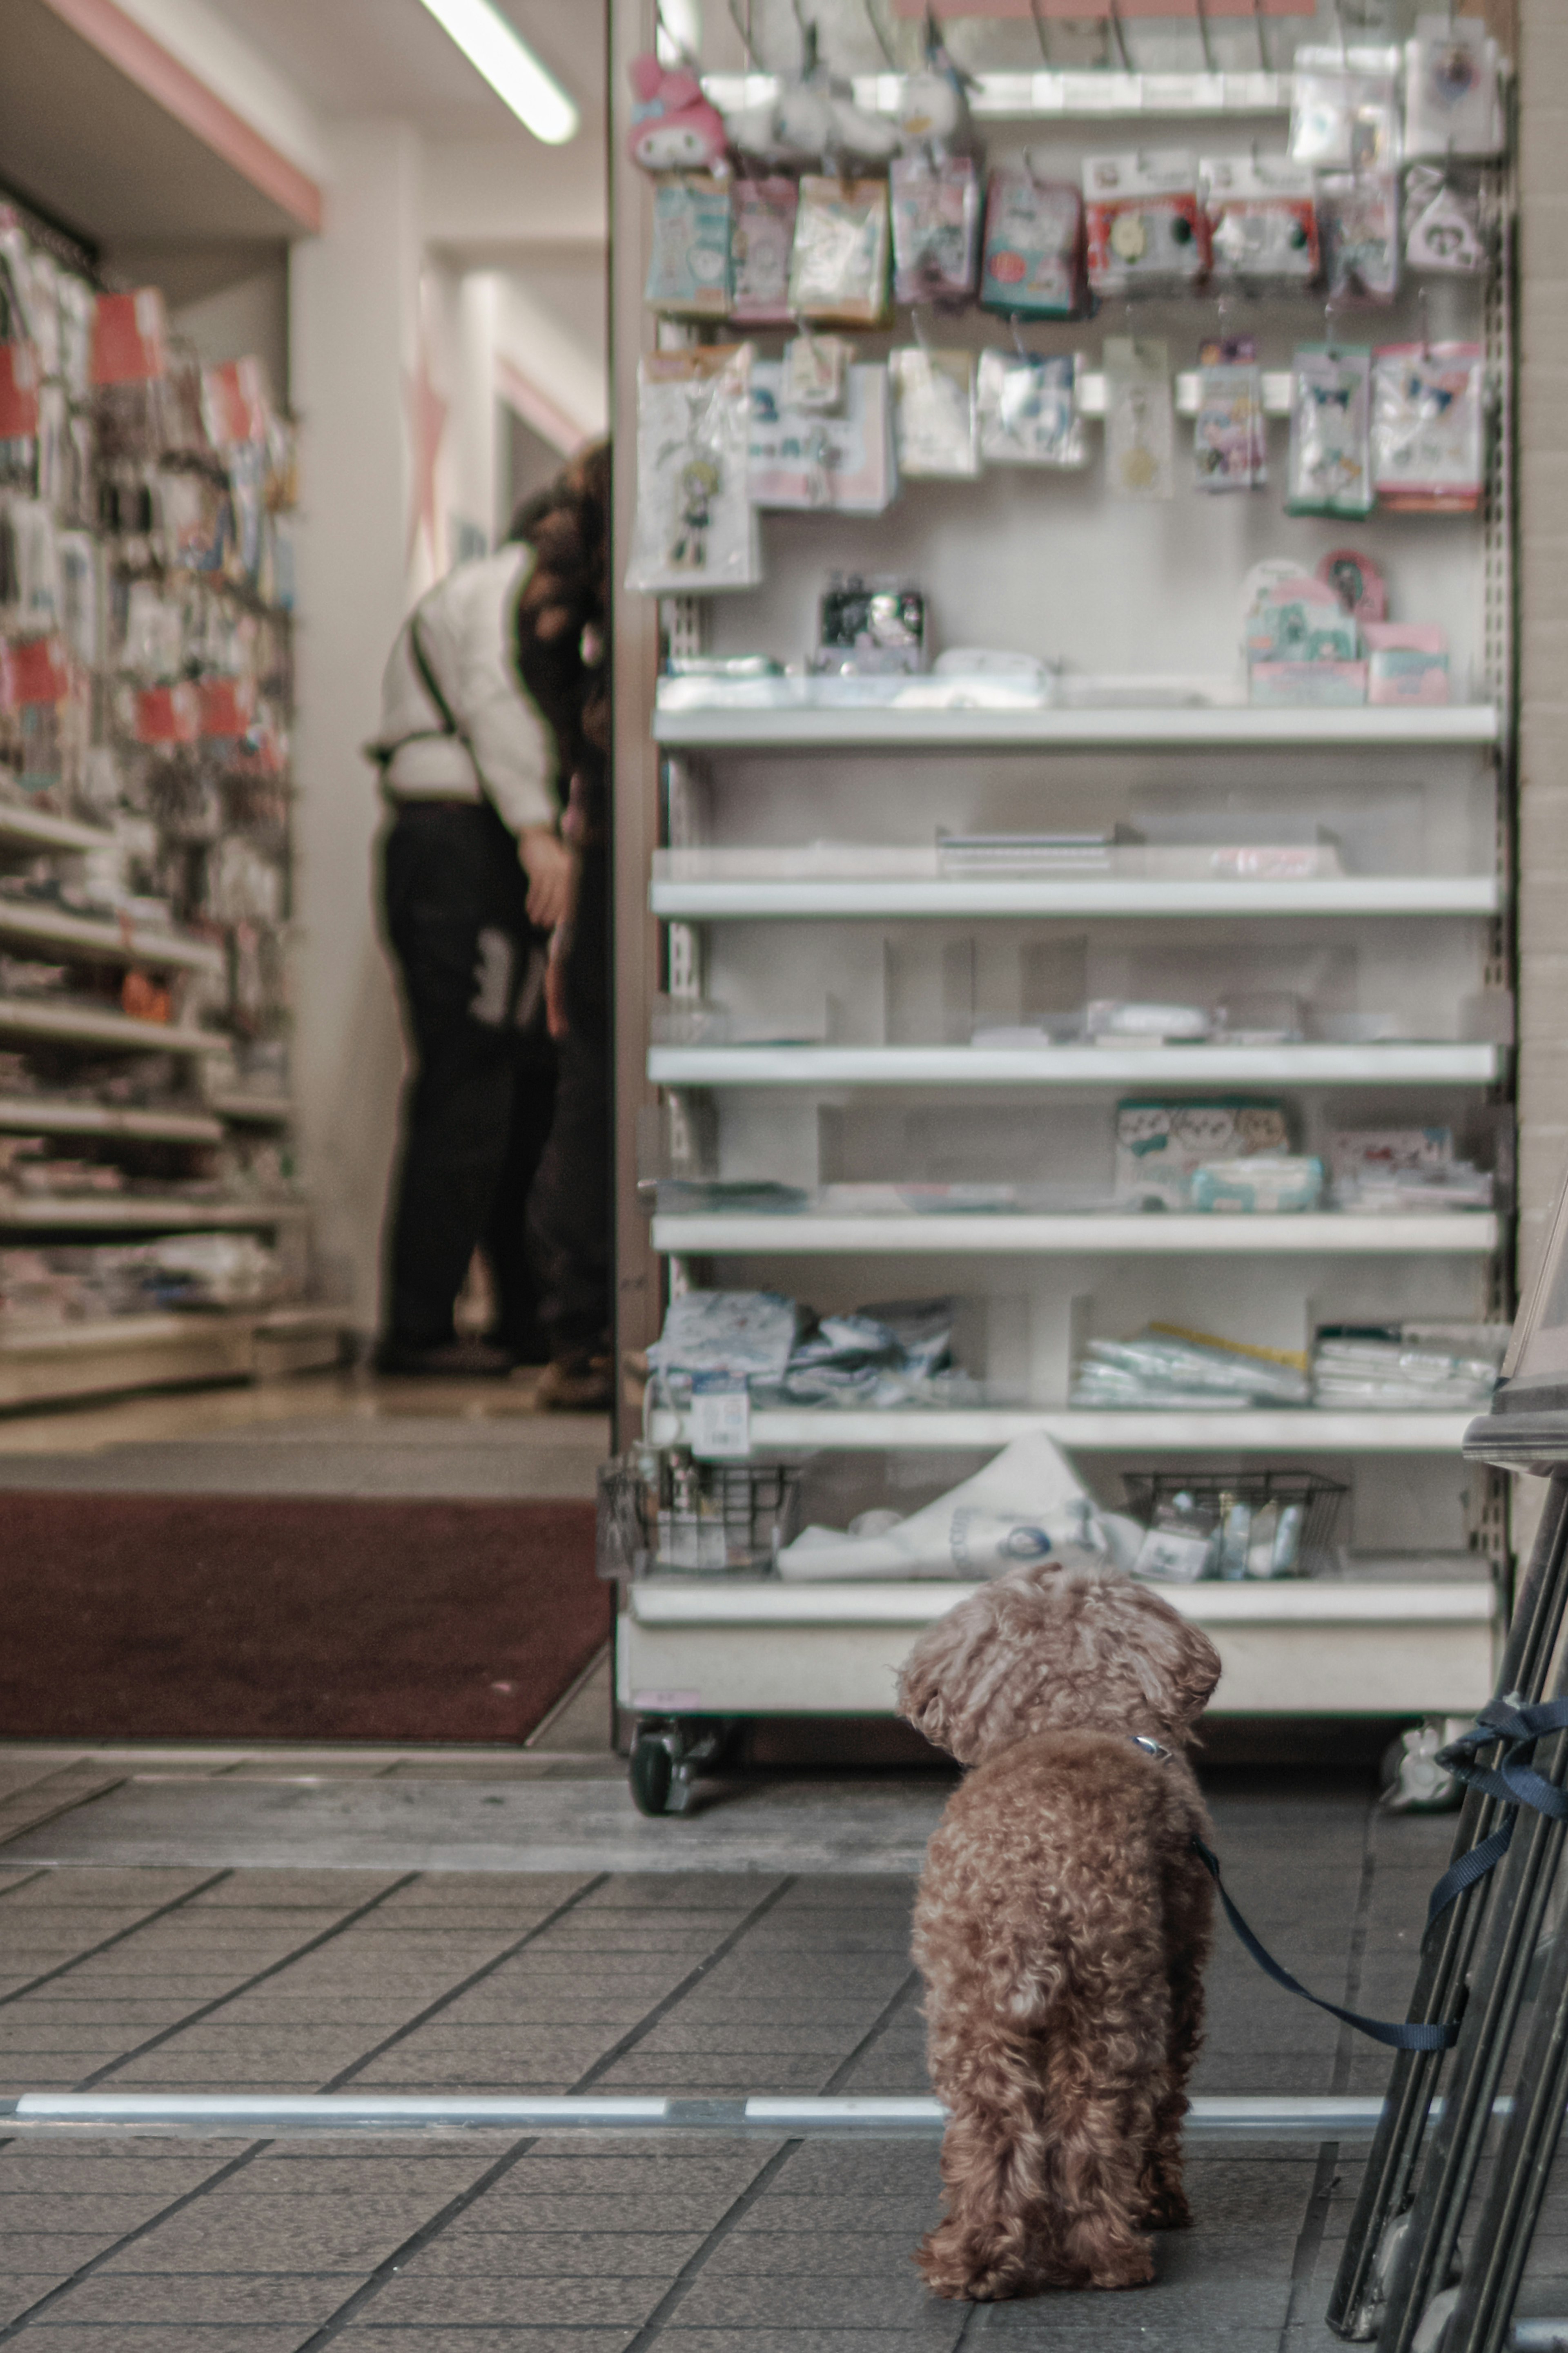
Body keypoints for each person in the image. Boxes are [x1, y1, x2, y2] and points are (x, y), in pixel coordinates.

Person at [369, 502, 575, 1376]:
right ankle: (419, 1327)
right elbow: (493, 698)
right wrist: (537, 825)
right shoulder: (491, 592)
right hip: (460, 843)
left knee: (515, 1078)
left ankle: (521, 1315)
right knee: (471, 1079)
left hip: (470, 843)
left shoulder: (500, 594)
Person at [511, 448, 615, 1412]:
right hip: (636, 787)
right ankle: (590, 1327)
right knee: (600, 1075)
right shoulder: (610, 480)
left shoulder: (587, 490)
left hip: (616, 785)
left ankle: (582, 1327)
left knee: (593, 1074)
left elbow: (537, 631)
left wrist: (578, 723)